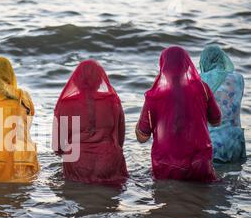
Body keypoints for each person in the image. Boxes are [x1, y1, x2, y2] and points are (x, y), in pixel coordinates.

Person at [135, 46, 221, 182]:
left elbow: (142, 137)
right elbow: (216, 121)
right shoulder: (202, 89)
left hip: (166, 167)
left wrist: (138, 126)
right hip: (199, 165)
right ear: (187, 65)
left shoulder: (154, 96)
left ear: (163, 67)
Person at [52, 59, 128, 185]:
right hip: (108, 159)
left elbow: (58, 147)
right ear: (100, 80)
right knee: (109, 201)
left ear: (76, 80)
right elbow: (120, 140)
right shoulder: (113, 101)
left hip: (76, 162)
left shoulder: (65, 104)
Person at [200, 45, 246, 162]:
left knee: (214, 177)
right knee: (233, 177)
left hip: (211, 142)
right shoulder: (239, 78)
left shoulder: (199, 81)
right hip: (235, 141)